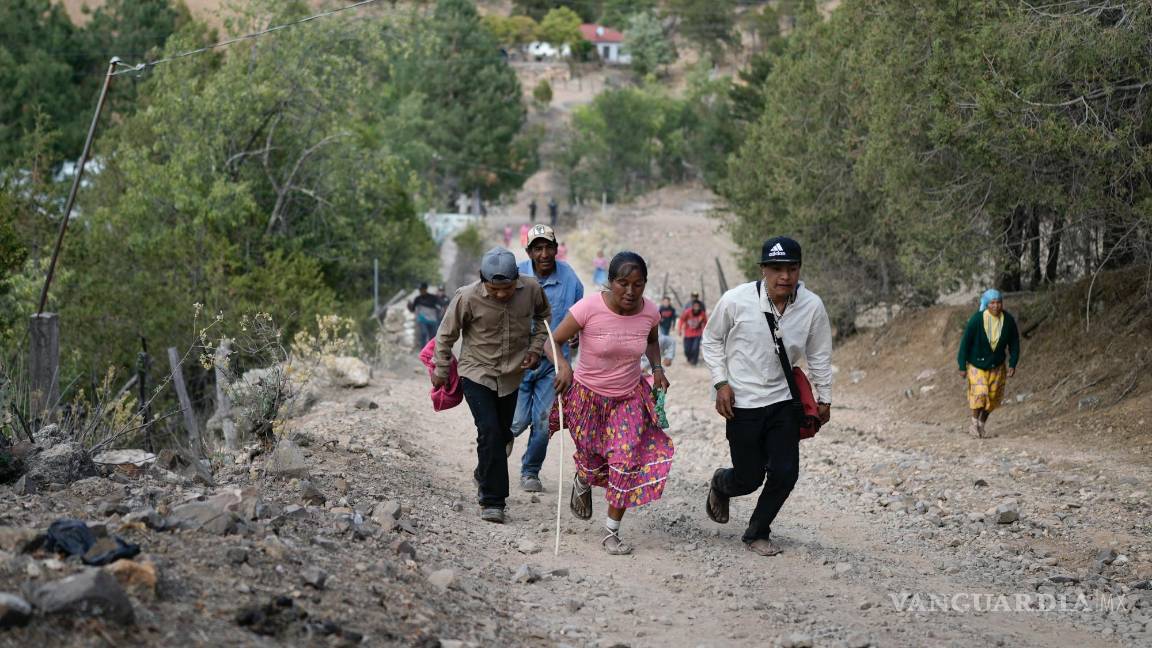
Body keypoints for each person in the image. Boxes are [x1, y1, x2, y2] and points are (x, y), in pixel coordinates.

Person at [701, 236, 832, 557]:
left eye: (791, 268)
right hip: (742, 404)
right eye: (776, 269)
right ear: (763, 270)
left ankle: (757, 531)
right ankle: (722, 483)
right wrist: (721, 384)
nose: (784, 276)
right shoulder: (736, 300)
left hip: (784, 403)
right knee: (748, 478)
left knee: (786, 473)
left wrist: (825, 396)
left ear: (799, 270)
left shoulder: (812, 306)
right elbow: (712, 339)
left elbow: (819, 354)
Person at [548, 251, 674, 555]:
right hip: (587, 396)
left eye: (638, 284)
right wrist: (564, 366)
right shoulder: (589, 308)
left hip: (628, 397)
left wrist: (657, 369)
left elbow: (652, 340)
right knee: (592, 461)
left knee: (626, 459)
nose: (630, 292)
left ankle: (611, 532)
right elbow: (552, 340)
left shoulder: (650, 312)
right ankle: (583, 478)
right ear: (610, 282)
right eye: (623, 283)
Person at [433, 248, 550, 524]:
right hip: (477, 372)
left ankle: (483, 473)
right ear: (483, 280)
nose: (501, 294)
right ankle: (493, 500)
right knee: (489, 432)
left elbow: (543, 318)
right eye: (495, 289)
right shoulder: (467, 297)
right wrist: (440, 369)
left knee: (501, 436)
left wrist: (535, 348)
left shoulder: (531, 289)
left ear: (517, 280)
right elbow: (445, 335)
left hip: (512, 375)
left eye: (507, 288)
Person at [511, 225, 584, 493]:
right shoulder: (515, 275)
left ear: (556, 249)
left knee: (543, 422)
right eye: (537, 248)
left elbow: (579, 315)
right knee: (516, 422)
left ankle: (531, 471)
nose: (544, 254)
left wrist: (576, 335)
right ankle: (494, 453)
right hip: (517, 363)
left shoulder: (570, 279)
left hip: (553, 366)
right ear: (529, 251)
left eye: (548, 247)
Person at [957, 289, 1021, 438]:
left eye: (999, 302)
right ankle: (973, 424)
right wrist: (962, 365)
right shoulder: (977, 319)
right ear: (986, 304)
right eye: (992, 303)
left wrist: (1013, 363)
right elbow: (965, 343)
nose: (996, 306)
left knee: (992, 398)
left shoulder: (1008, 320)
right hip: (976, 365)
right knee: (980, 394)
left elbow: (1014, 343)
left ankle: (981, 424)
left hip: (997, 365)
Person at [408, 282, 441, 349]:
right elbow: (412, 309)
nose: (421, 291)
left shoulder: (433, 298)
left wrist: (439, 316)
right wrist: (409, 306)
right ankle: (423, 350)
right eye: (420, 289)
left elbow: (440, 307)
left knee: (432, 337)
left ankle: (431, 351)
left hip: (432, 320)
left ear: (426, 289)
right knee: (424, 334)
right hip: (422, 320)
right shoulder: (417, 299)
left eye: (422, 289)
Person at [677, 300, 708, 366]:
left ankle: (694, 361)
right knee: (687, 350)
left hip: (697, 334)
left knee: (695, 348)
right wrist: (679, 330)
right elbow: (681, 320)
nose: (696, 308)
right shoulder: (687, 312)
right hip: (688, 334)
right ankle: (689, 358)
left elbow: (706, 323)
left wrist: (705, 331)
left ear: (700, 307)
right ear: (692, 307)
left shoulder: (702, 314)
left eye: (698, 306)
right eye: (695, 306)